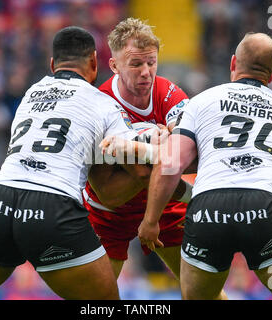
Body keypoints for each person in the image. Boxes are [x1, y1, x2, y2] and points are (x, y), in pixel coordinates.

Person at [0, 26, 139, 300]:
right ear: (94, 61)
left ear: (52, 64)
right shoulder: (103, 103)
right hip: (51, 207)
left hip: (0, 202)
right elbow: (136, 163)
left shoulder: (31, 93)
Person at [136, 32, 272, 299]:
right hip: (262, 208)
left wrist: (151, 220)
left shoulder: (204, 99)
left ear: (233, 63)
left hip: (209, 209)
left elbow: (172, 162)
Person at [83, 18, 192, 280]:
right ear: (114, 65)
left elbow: (187, 154)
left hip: (162, 200)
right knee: (97, 298)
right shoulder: (98, 104)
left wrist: (129, 148)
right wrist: (158, 151)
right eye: (135, 64)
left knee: (204, 292)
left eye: (151, 62)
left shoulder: (170, 94)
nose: (146, 72)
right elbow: (107, 192)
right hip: (109, 212)